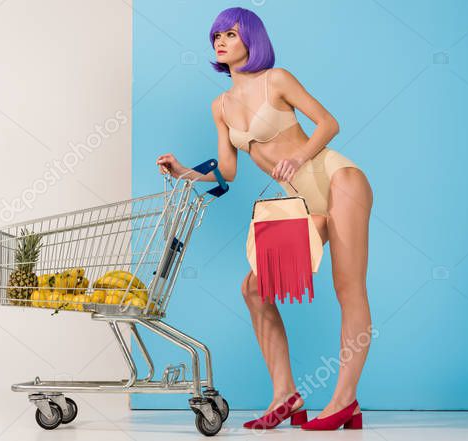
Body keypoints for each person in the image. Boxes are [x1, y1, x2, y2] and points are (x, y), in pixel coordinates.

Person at [156, 7, 373, 431]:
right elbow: (229, 170)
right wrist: (184, 171)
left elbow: (329, 123)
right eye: (216, 35)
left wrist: (298, 155)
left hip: (338, 179)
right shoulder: (219, 106)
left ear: (250, 39)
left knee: (348, 288)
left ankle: (345, 400)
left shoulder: (278, 79)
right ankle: (286, 395)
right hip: (301, 203)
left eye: (231, 34)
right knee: (254, 288)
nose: (220, 41)